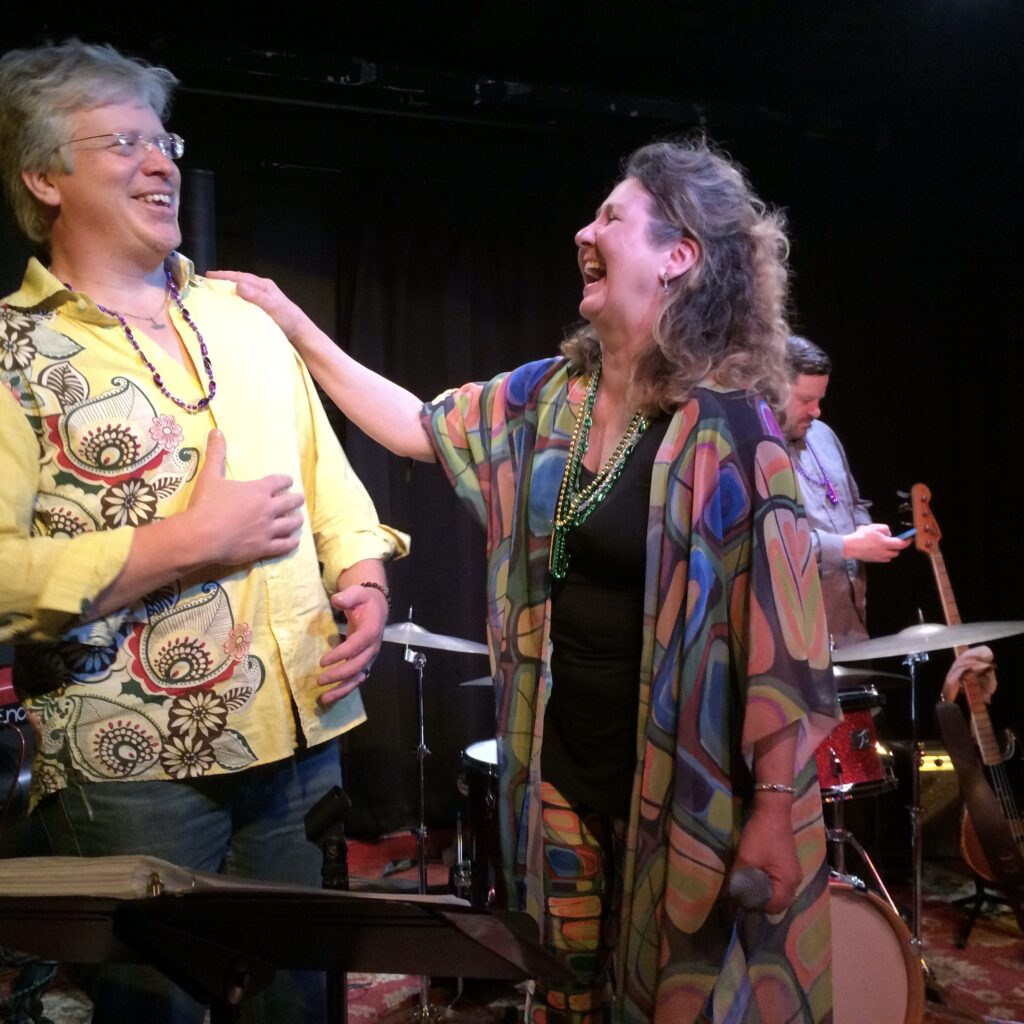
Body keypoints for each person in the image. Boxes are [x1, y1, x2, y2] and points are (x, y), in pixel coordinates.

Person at [214, 139, 840, 1023]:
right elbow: (418, 426)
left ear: (678, 256)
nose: (585, 231)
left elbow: (785, 642)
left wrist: (774, 807)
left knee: (673, 996)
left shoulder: (733, 429)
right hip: (559, 775)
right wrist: (295, 325)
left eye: (612, 217)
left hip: (684, 788)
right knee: (563, 989)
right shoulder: (552, 399)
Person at [0, 41, 407, 1023]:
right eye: (123, 143)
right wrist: (185, 543)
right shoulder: (12, 349)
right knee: (156, 1011)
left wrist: (362, 573)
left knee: (298, 1006)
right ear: (45, 177)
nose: (161, 162)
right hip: (131, 768)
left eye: (165, 141)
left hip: (303, 734)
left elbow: (327, 475)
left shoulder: (242, 315)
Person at [782, 336, 909, 648]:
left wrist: (866, 532)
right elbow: (771, 546)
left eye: (820, 399)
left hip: (851, 625)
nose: (817, 411)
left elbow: (854, 502)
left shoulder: (823, 435)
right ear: (773, 388)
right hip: (798, 636)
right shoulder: (755, 452)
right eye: (806, 400)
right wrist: (849, 546)